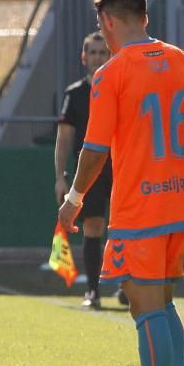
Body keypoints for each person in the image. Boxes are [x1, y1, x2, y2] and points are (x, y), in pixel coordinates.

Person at [57, 0, 184, 366]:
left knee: (143, 305)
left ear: (108, 21)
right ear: (144, 17)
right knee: (164, 303)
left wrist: (74, 197)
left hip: (139, 206)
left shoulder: (112, 73)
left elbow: (94, 147)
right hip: (178, 199)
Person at [54, 32, 115, 309]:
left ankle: (130, 285)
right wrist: (60, 177)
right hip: (89, 169)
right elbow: (64, 138)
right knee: (93, 226)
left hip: (121, 165)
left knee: (126, 226)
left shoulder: (120, 87)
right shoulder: (75, 94)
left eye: (103, 52)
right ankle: (93, 290)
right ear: (83, 57)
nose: (98, 58)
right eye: (93, 52)